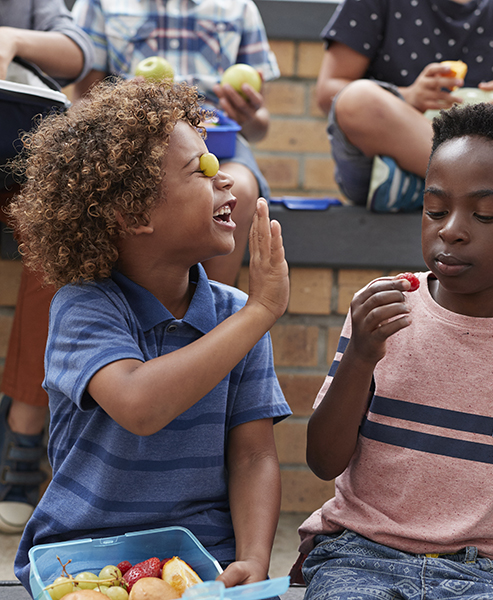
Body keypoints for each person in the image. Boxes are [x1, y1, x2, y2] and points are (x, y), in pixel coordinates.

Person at [296, 102, 493, 599]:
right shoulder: (383, 310)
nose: (451, 229)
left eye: (483, 215)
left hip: (483, 571)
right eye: (435, 209)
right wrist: (361, 359)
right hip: (359, 554)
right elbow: (323, 461)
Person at [8, 78, 291, 591]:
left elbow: (253, 454)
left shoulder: (235, 315)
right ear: (134, 213)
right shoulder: (84, 306)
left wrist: (253, 556)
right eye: (200, 170)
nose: (225, 179)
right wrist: (261, 311)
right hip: (83, 555)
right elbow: (139, 405)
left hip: (204, 552)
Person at [316, 0, 493, 215]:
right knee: (358, 99)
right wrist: (408, 95)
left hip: (489, 146)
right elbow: (330, 90)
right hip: (401, 151)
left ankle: (427, 191)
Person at [70, 0, 279, 287]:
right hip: (138, 144)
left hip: (219, 137)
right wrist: (121, 99)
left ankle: (214, 317)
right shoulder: (98, 4)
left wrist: (248, 115)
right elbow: (81, 102)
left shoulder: (239, 7)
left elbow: (259, 126)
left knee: (239, 187)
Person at [0, 0, 94, 535]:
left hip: (12, 165)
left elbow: (77, 53)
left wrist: (9, 41)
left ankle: (26, 425)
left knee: (57, 228)